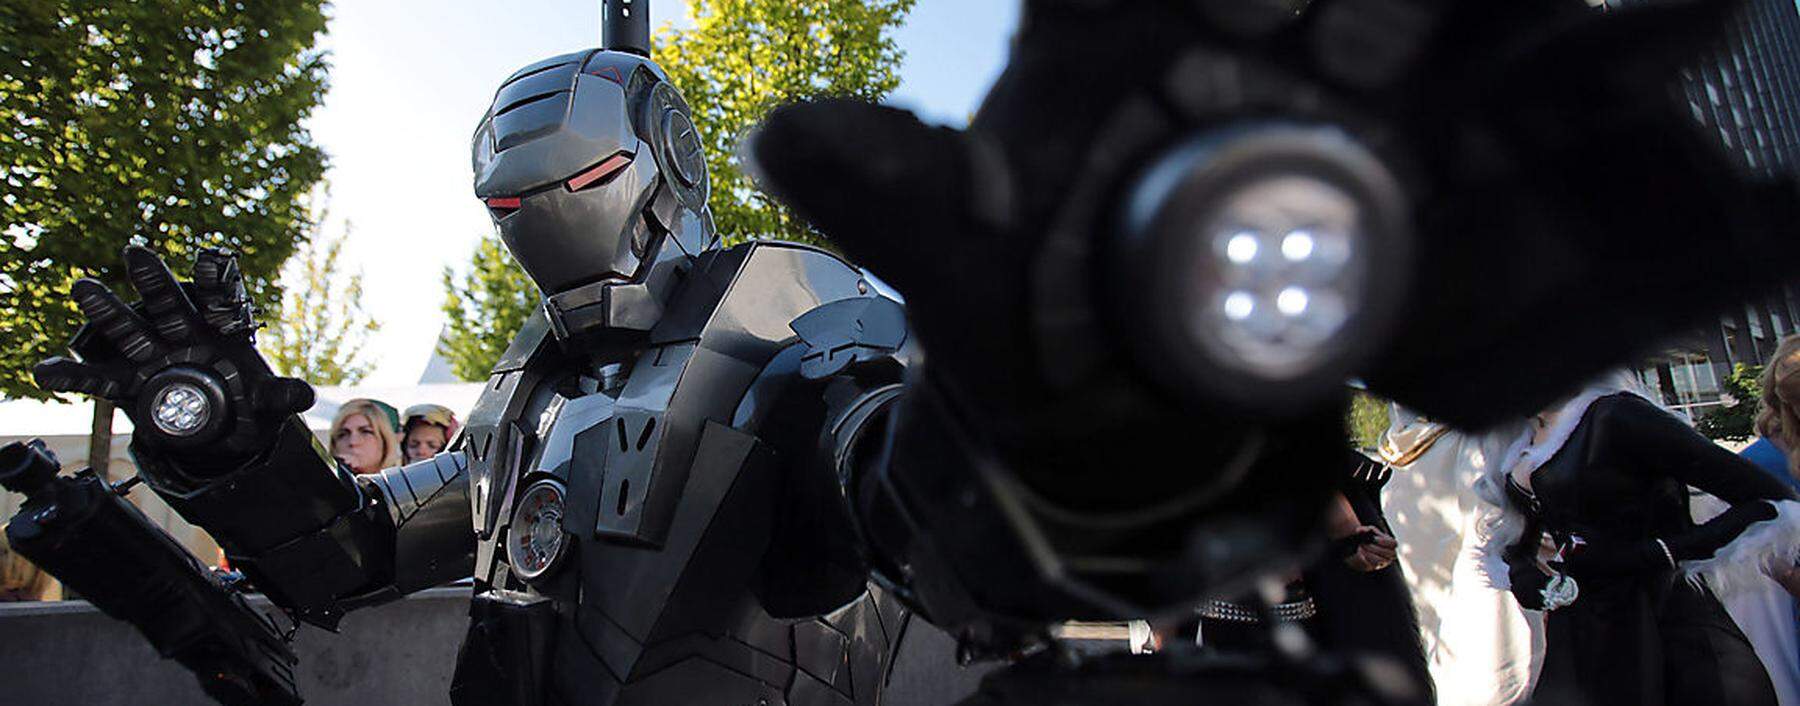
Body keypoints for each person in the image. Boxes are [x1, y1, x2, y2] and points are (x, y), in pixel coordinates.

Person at [1481, 372, 1800, 706]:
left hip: (1665, 623)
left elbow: (1767, 499)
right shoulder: (1520, 438)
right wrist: (1522, 570)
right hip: (1586, 633)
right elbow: (1518, 533)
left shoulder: (1617, 416)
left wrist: (1661, 552)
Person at [327, 398, 401, 475]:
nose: (353, 442)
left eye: (365, 432)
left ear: (385, 441)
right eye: (343, 434)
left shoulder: (403, 483)